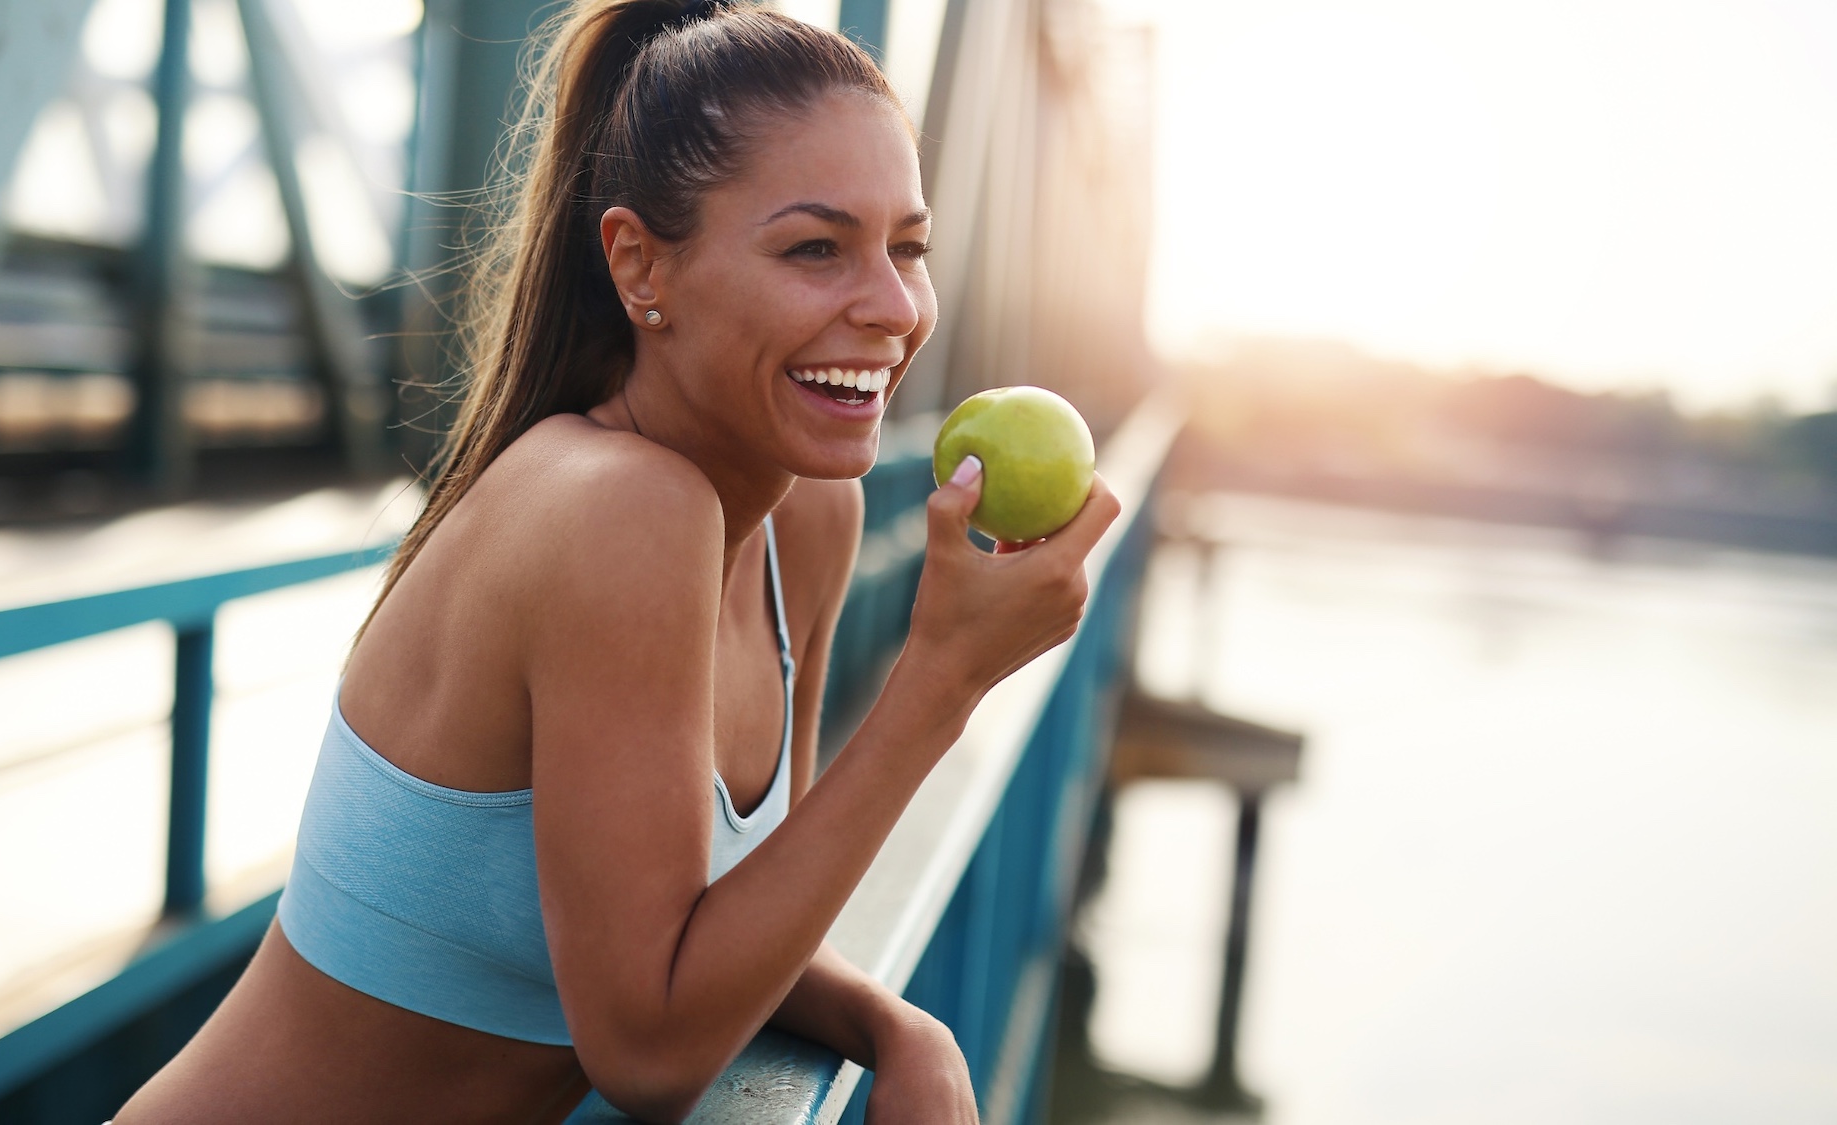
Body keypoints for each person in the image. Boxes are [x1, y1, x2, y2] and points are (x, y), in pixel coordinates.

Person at [116, 0, 1117, 1120]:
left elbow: (728, 922)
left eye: (907, 248)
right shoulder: (618, 510)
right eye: (815, 249)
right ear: (640, 265)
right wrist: (942, 680)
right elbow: (648, 1046)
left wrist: (898, 1029)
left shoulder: (804, 519)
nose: (891, 307)